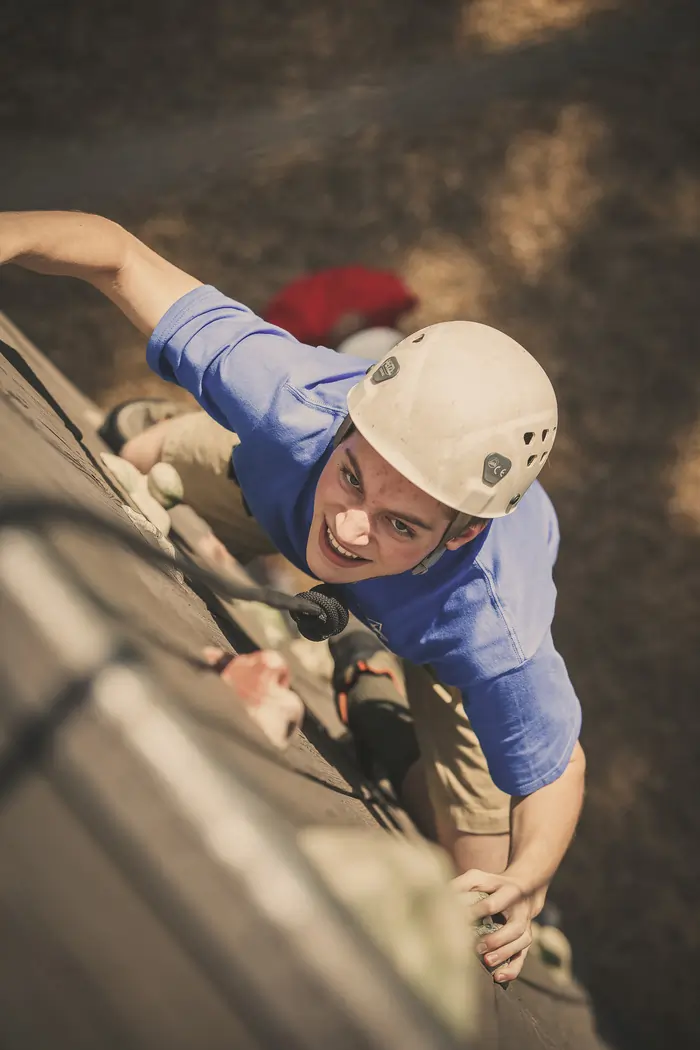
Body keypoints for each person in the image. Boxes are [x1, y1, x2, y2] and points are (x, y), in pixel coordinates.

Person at [0, 210, 586, 984]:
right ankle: (179, 440)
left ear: (457, 537)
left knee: (475, 880)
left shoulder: (486, 624)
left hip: (426, 637)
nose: (350, 527)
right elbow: (116, 257)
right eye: (355, 474)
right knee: (134, 456)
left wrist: (529, 879)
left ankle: (379, 701)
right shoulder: (297, 400)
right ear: (344, 425)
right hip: (281, 489)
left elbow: (554, 769)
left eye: (400, 522)